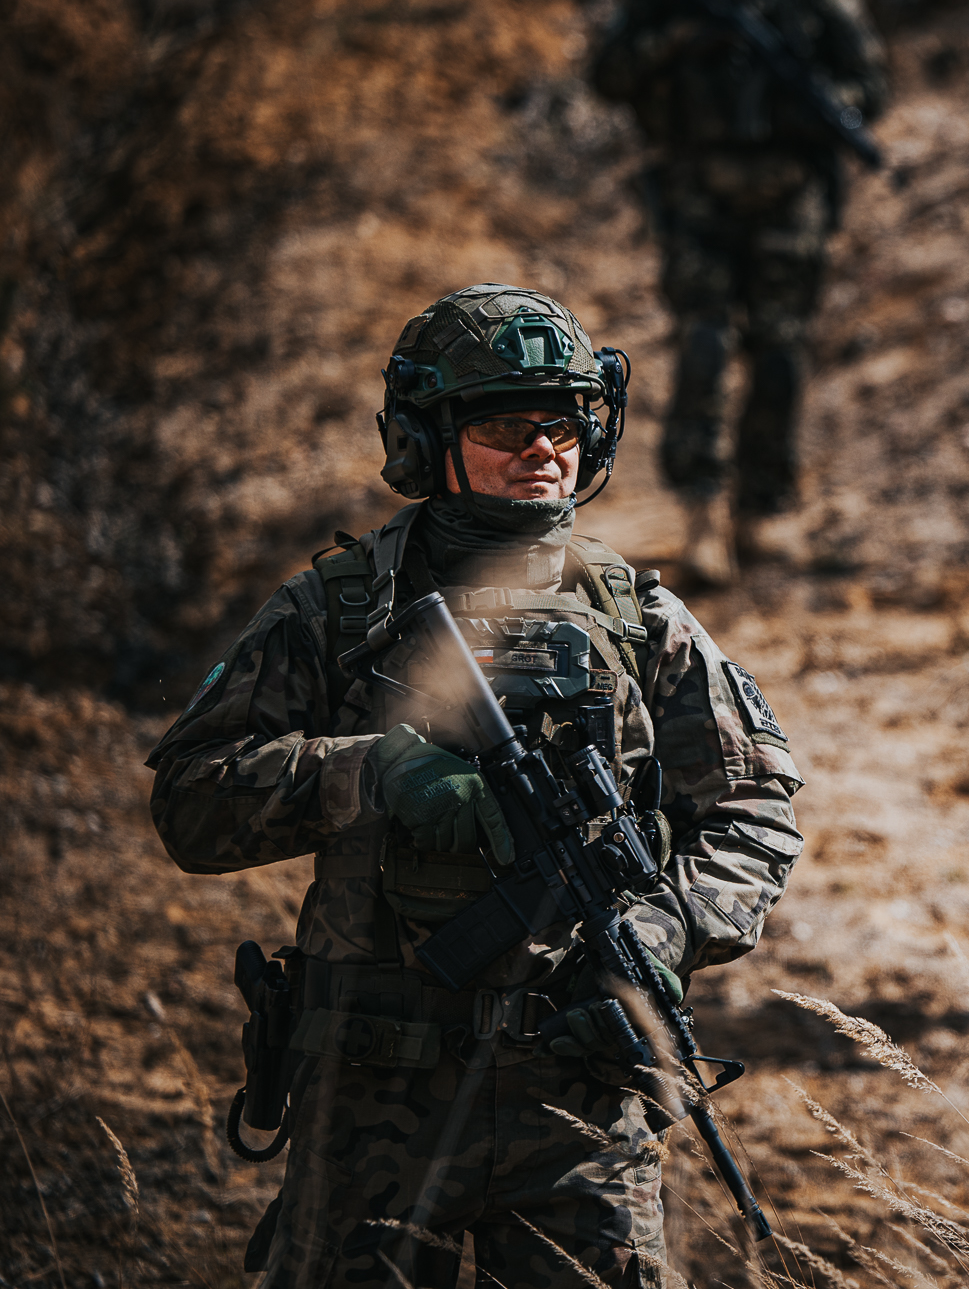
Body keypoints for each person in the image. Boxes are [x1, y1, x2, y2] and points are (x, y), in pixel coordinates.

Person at [147, 285, 804, 1287]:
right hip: (374, 1098)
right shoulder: (338, 605)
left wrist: (674, 929)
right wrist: (369, 774)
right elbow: (191, 801)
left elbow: (755, 808)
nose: (542, 449)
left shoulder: (639, 618)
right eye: (504, 426)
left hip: (579, 1099)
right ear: (424, 441)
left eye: (564, 425)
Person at [592, 0, 889, 585]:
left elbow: (869, 85)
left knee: (781, 351)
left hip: (789, 195)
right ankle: (700, 512)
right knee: (705, 344)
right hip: (698, 194)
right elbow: (608, 73)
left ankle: (763, 509)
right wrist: (683, 40)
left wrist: (803, 102)